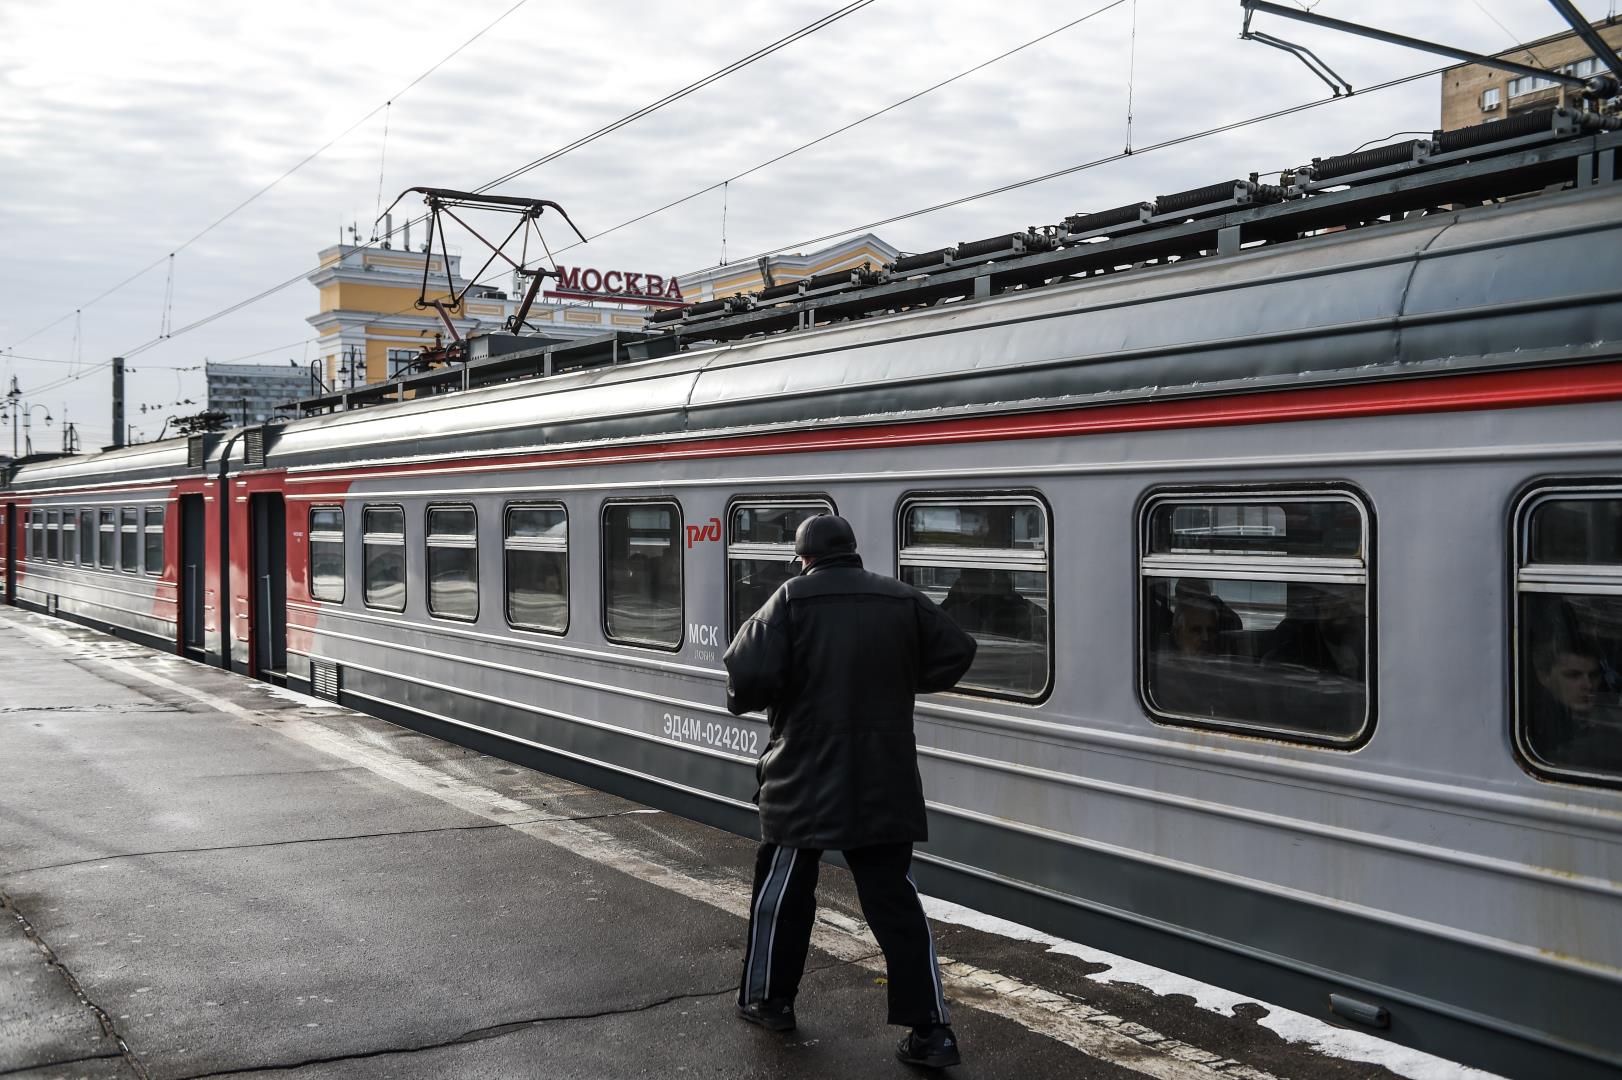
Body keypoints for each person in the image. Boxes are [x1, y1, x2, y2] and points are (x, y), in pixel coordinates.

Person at [723, 513, 977, 1069]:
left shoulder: (790, 600)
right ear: (853, 552)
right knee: (895, 904)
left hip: (803, 777)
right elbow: (958, 651)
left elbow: (744, 677)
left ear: (805, 557)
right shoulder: (900, 597)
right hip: (883, 776)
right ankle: (932, 1033)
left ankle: (770, 1000)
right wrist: (900, 678)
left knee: (783, 893)